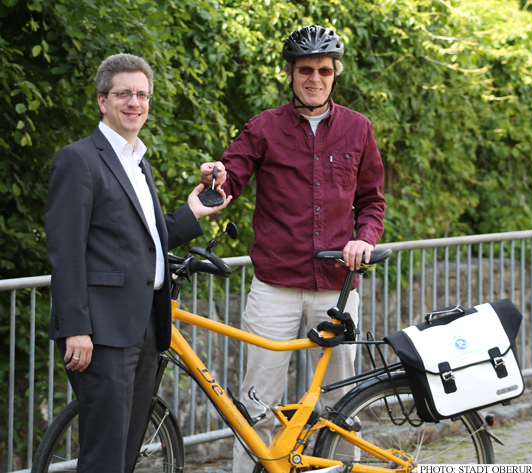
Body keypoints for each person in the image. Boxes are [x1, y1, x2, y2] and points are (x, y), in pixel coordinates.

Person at [201, 25, 385, 472]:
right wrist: (217, 175)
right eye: (306, 70)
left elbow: (372, 200)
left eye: (324, 70)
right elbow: (232, 174)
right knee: (258, 398)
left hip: (337, 287)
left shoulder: (359, 129)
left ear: (335, 74)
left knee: (343, 400)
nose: (315, 78)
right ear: (291, 74)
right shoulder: (263, 127)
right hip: (275, 286)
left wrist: (365, 237)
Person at [45, 53, 231, 473]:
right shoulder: (78, 159)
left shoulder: (138, 162)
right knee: (105, 454)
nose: (134, 102)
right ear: (102, 101)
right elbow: (66, 249)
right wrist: (75, 327)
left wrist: (192, 214)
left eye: (142, 94)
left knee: (127, 451)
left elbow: (144, 240)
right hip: (102, 331)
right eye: (124, 93)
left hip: (146, 324)